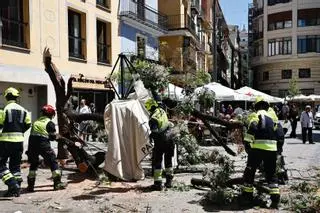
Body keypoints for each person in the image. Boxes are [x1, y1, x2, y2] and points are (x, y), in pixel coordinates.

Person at [241, 96, 280, 208]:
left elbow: (253, 127)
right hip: (272, 149)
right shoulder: (272, 118)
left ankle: (247, 197)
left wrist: (247, 143)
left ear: (256, 106)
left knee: (250, 171)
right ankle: (275, 198)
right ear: (267, 106)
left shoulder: (255, 115)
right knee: (271, 174)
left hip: (257, 149)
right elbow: (278, 133)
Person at [26, 105, 67, 192]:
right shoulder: (49, 123)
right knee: (53, 161)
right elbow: (52, 137)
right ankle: (57, 183)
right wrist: (60, 138)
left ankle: (30, 186)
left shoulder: (36, 121)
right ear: (51, 114)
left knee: (33, 164)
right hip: (43, 144)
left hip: (32, 145)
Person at [0, 87, 31, 197]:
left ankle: (12, 184)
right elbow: (28, 124)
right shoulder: (24, 110)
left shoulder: (4, 110)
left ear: (6, 97)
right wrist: (19, 131)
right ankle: (15, 190)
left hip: (5, 142)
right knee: (15, 166)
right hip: (19, 142)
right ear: (17, 97)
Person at [145, 98, 174, 191]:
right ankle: (169, 182)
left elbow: (155, 132)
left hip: (161, 141)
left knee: (157, 161)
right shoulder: (161, 109)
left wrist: (150, 138)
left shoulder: (153, 119)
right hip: (170, 139)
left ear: (149, 108)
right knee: (168, 161)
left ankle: (158, 183)